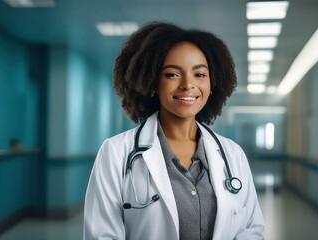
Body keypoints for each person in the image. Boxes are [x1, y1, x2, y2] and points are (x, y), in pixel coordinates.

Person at [84, 22, 264, 240]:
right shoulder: (116, 153)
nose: (188, 85)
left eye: (199, 74)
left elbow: (252, 229)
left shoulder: (232, 154)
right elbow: (102, 236)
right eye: (172, 74)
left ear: (212, 83)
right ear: (152, 82)